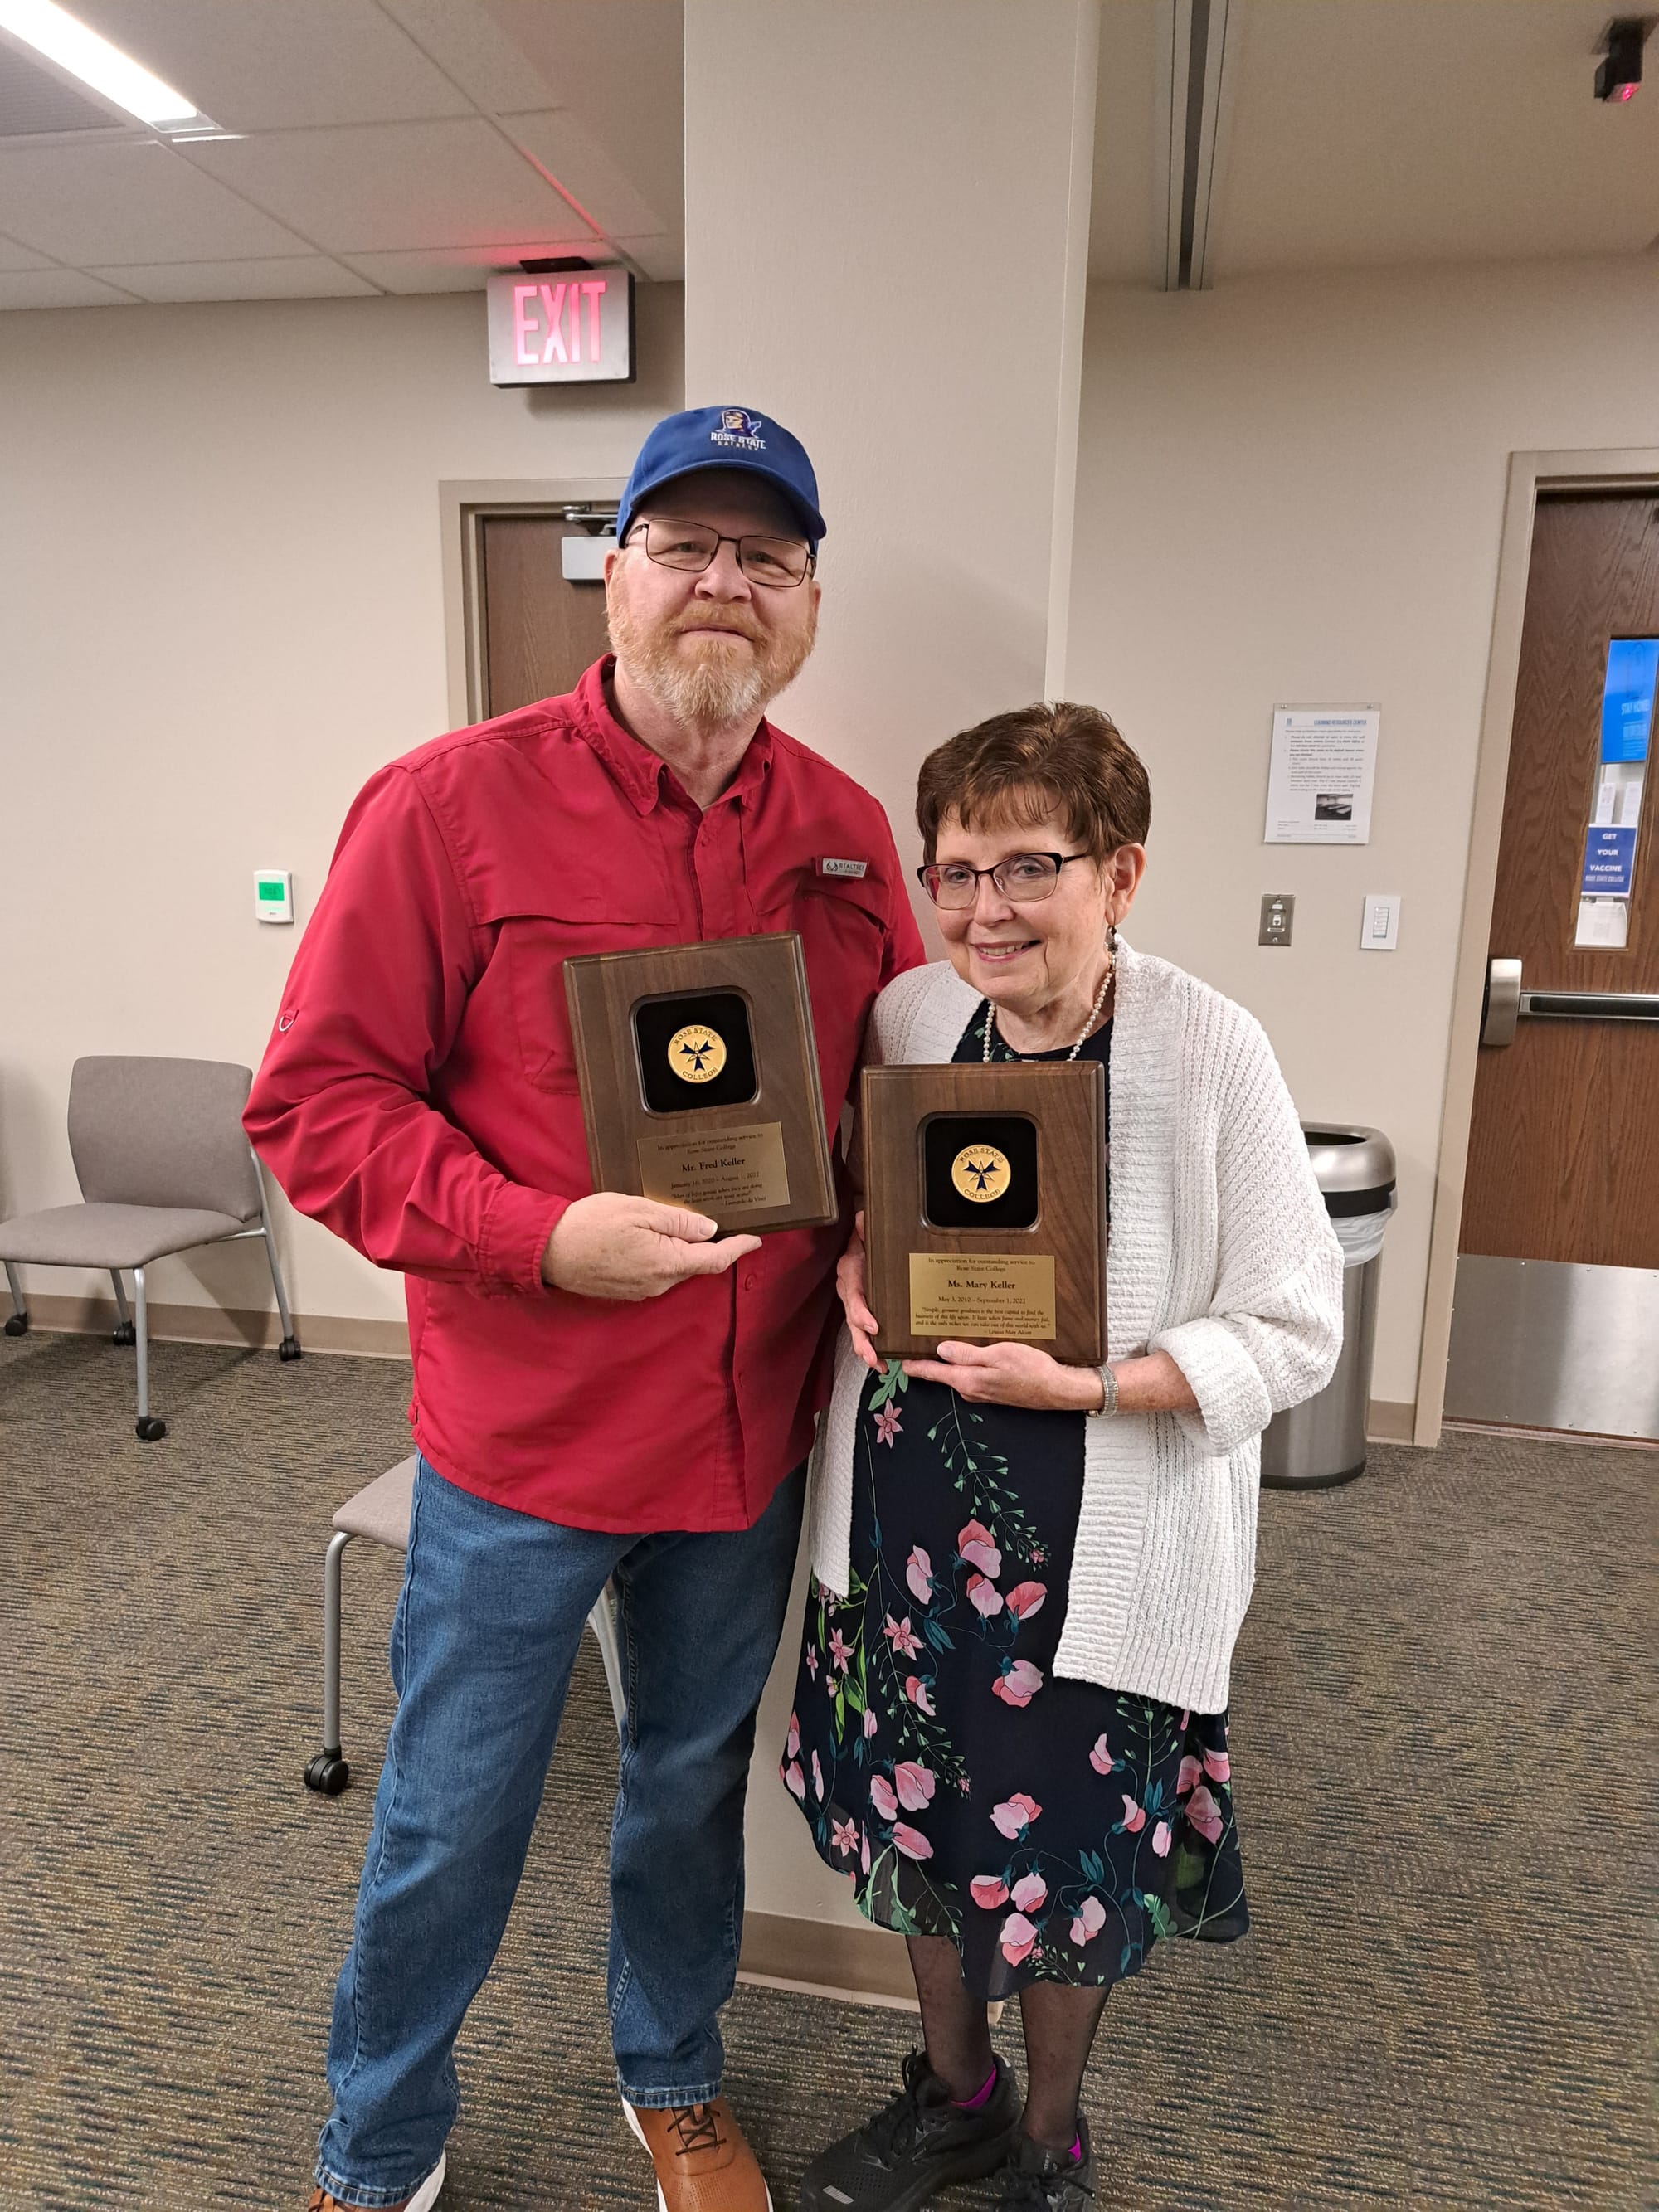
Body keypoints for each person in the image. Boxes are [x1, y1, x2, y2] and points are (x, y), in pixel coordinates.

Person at [246, 406, 924, 2212]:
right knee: (451, 1817)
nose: (726, 586)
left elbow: (887, 1106)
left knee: (692, 1790)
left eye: (764, 560)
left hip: (741, 1445)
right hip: (525, 1449)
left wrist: (888, 1244)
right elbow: (315, 1109)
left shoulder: (848, 834)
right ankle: (376, 2142)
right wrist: (538, 1235)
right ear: (611, 574)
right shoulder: (445, 806)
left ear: (804, 604)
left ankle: (673, 2075)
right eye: (685, 547)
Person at [786, 702, 1344, 2212]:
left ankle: (1048, 2142)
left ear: (1122, 872)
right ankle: (952, 2100)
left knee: (1064, 1864)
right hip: (905, 1521)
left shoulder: (1208, 1046)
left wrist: (1091, 1384)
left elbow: (1298, 1330)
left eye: (1029, 866)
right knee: (919, 1815)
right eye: (955, 870)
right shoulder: (910, 1016)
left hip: (1097, 1540)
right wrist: (855, 1270)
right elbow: (880, 1215)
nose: (985, 908)